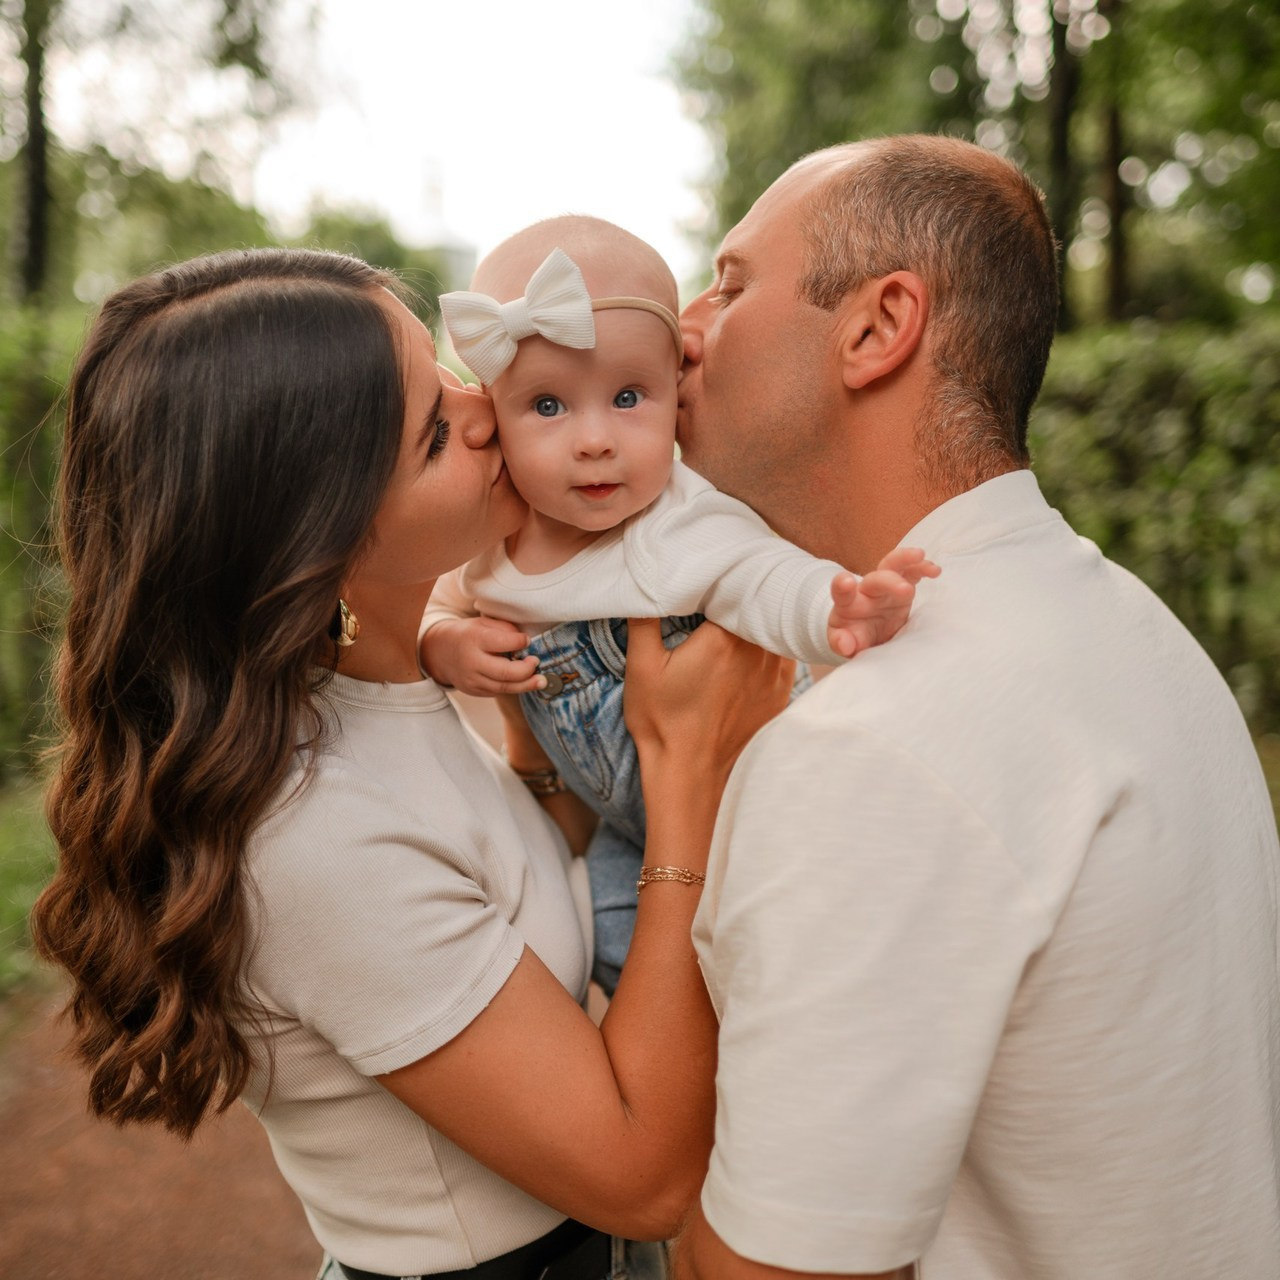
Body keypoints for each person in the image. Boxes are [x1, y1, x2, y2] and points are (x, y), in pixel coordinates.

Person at [29, 247, 796, 1280]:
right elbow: (642, 1175)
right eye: (435, 430)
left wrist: (542, 747)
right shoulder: (312, 831)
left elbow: (500, 883)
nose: (489, 409)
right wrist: (685, 768)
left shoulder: (383, 687)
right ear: (320, 535)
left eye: (447, 375)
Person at [672, 135, 1280, 1279]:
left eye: (731, 282)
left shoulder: (875, 752)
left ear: (874, 327)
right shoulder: (1134, 634)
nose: (683, 326)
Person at [423, 216, 938, 993]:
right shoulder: (494, 539)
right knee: (610, 948)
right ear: (491, 415)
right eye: (549, 407)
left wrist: (833, 611)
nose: (595, 440)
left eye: (628, 397)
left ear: (675, 390)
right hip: (626, 842)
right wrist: (445, 647)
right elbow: (440, 607)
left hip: (755, 808)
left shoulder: (680, 520)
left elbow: (756, 576)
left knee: (793, 945)